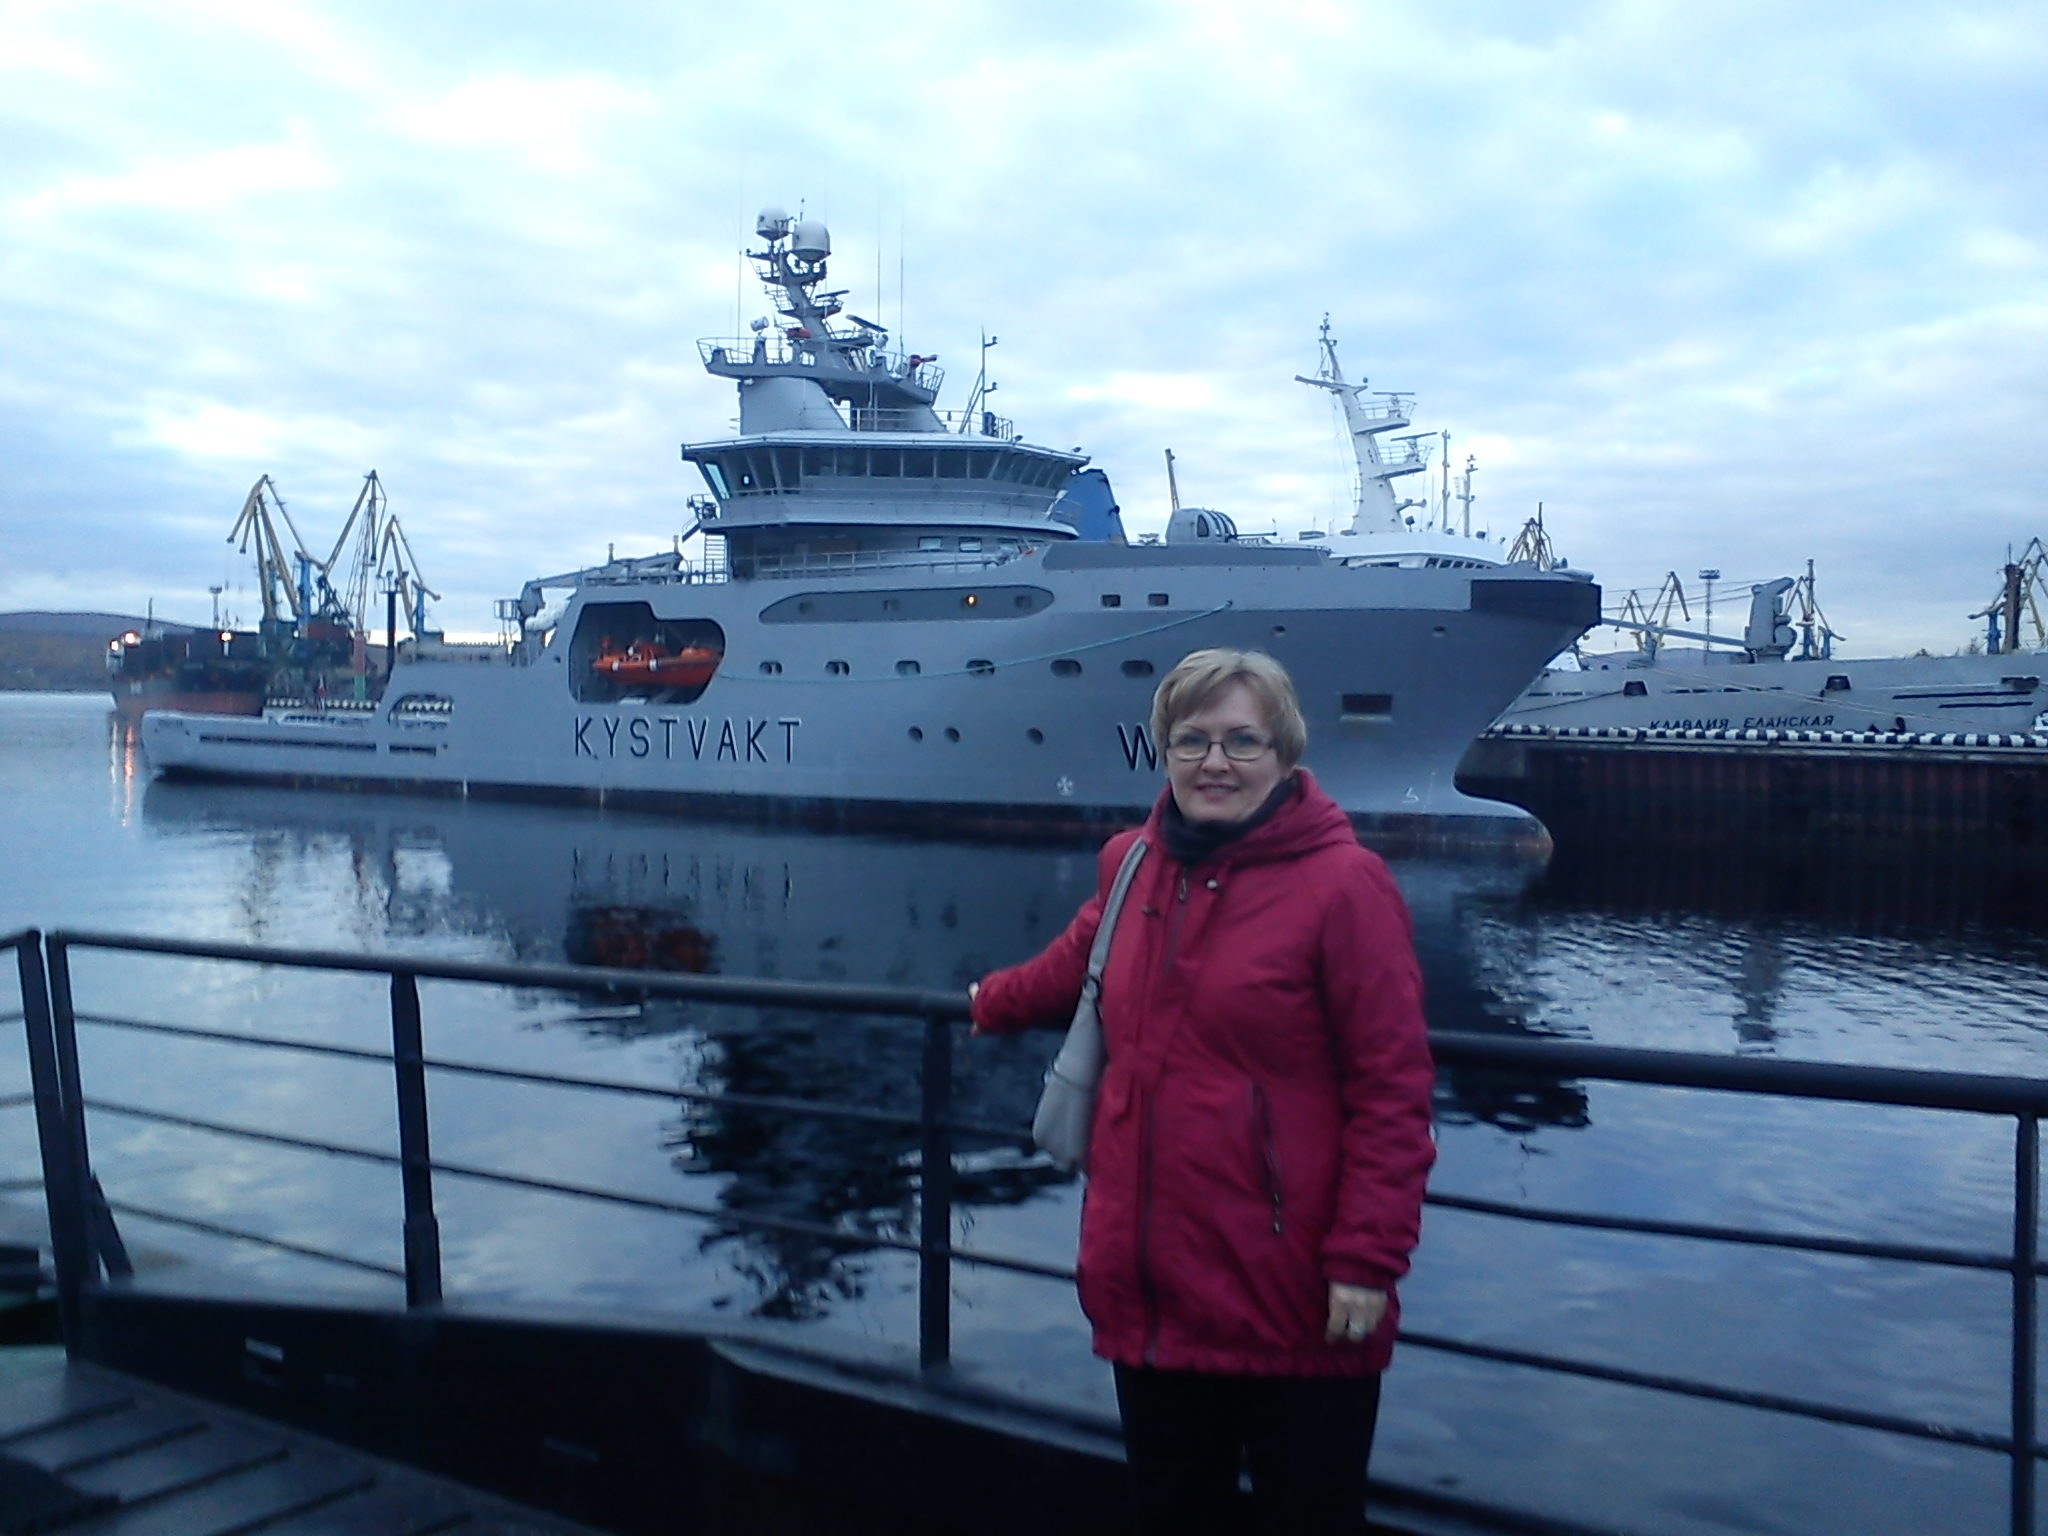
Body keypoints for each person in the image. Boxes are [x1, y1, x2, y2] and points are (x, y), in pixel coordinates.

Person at [970, 648, 1435, 1535]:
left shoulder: (1346, 886)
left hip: (1290, 1287)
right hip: (1152, 1275)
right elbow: (1079, 961)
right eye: (1192, 741)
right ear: (1165, 750)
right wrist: (991, 1001)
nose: (1214, 762)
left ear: (1284, 753)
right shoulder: (1134, 864)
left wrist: (1366, 1261)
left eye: (1241, 741)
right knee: (1172, 1510)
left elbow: (1393, 1090)